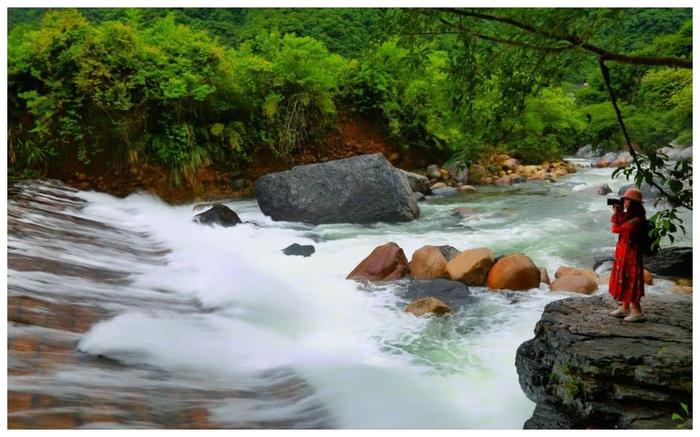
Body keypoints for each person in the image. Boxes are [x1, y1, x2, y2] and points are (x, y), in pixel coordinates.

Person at [608, 187, 647, 322]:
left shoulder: (636, 219)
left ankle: (638, 311)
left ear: (633, 203)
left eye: (627, 200)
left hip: (631, 254)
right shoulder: (629, 216)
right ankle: (625, 307)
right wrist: (619, 212)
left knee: (630, 280)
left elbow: (616, 228)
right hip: (624, 251)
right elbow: (621, 224)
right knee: (623, 278)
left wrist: (615, 213)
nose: (624, 202)